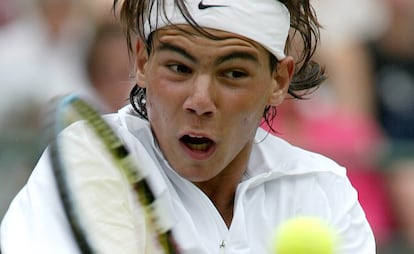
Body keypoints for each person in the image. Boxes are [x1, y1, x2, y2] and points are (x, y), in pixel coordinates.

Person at [0, 0, 376, 253]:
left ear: (278, 80)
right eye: (179, 68)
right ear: (143, 62)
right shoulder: (90, 165)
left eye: (233, 73)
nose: (200, 100)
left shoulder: (322, 192)